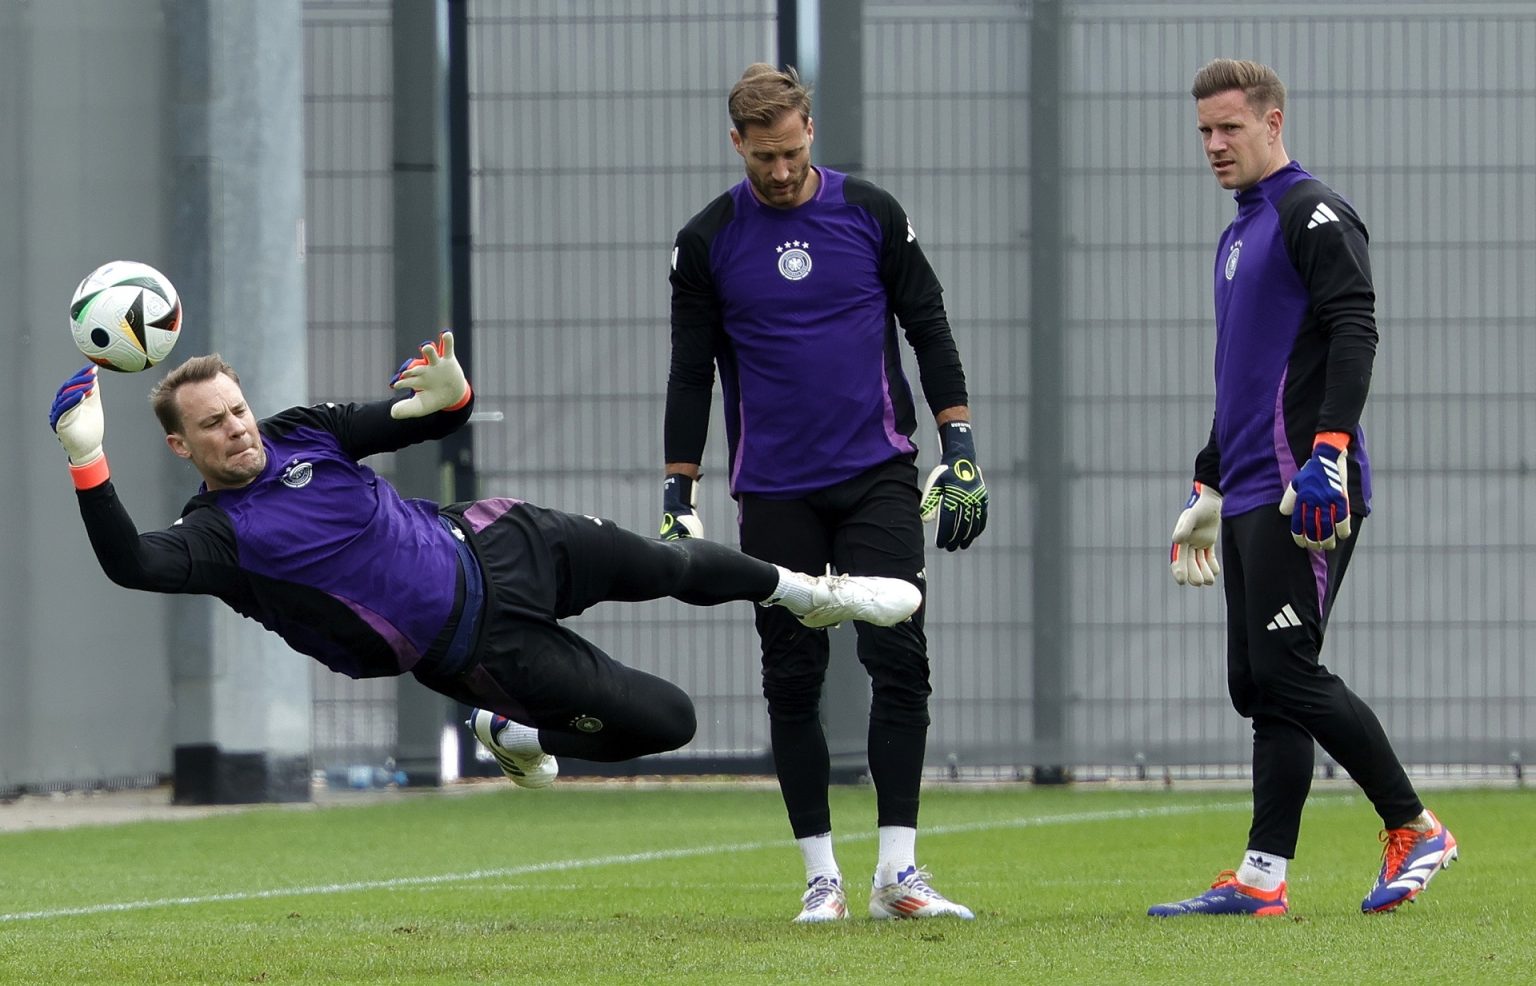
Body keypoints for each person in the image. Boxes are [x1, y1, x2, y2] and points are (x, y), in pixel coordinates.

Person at [47, 332, 923, 789]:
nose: (237, 429)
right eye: (213, 424)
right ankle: (515, 733)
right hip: (475, 650)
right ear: (180, 447)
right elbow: (132, 564)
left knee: (667, 564)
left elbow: (425, 415)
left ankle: (810, 592)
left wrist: (451, 391)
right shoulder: (216, 536)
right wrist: (88, 460)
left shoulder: (301, 431)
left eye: (236, 409)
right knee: (668, 721)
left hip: (502, 541)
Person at [661, 63, 988, 923]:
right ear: (737, 143)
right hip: (775, 490)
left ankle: (899, 875)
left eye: (792, 153)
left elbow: (928, 326)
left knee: (899, 659)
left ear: (811, 130)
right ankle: (822, 879)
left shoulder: (871, 213)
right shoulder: (707, 242)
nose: (779, 171)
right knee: (792, 675)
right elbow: (692, 373)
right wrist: (678, 490)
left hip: (877, 471)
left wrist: (958, 445)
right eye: (762, 156)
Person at [1153, 58, 1457, 917]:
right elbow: (1243, 373)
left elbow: (1355, 327)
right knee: (1259, 684)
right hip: (1250, 486)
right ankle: (1261, 879)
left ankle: (1415, 826)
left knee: (1286, 670)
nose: (1215, 144)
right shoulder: (1238, 233)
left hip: (1305, 489)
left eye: (1230, 127)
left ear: (1273, 122)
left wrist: (1330, 452)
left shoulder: (1312, 212)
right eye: (1204, 131)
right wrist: (1209, 478)